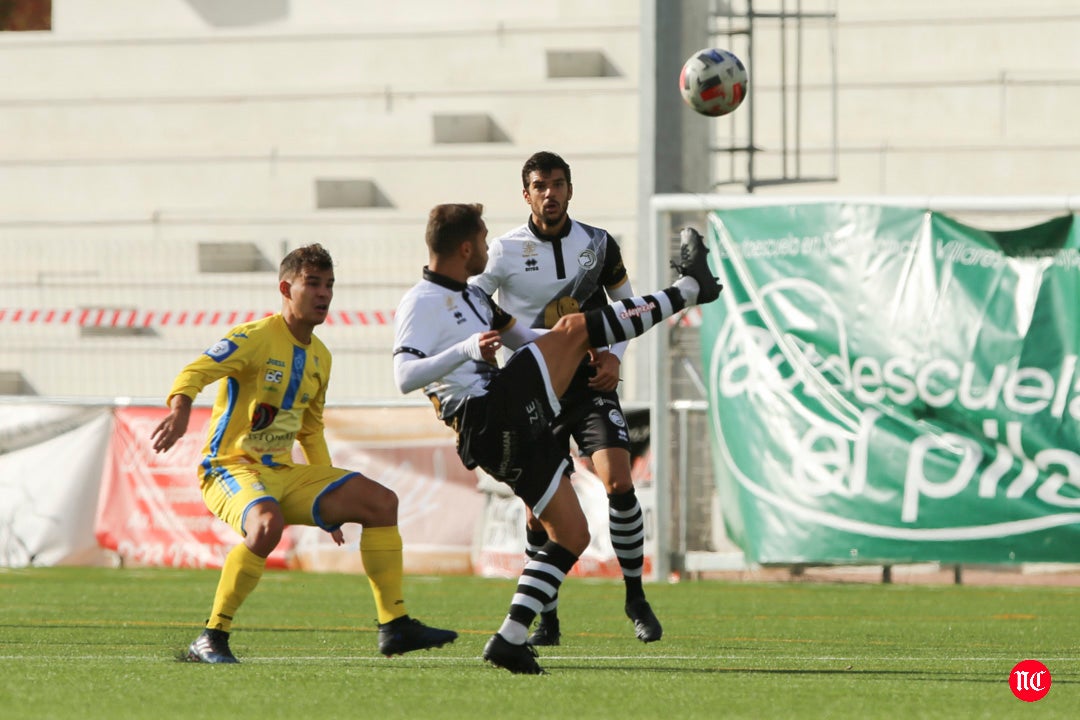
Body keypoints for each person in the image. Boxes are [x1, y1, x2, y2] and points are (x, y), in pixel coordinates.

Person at [392, 203, 720, 674]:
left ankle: (510, 638)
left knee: (572, 535)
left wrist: (579, 350)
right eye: (483, 240)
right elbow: (404, 375)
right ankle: (690, 288)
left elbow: (524, 338)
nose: (489, 246)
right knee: (575, 327)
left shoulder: (475, 298)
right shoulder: (420, 300)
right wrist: (468, 350)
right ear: (466, 248)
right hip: (485, 414)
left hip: (502, 428)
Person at [151, 243, 457, 664]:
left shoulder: (320, 356)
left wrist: (327, 490)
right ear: (286, 287)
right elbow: (195, 371)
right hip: (230, 468)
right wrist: (181, 407)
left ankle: (395, 625)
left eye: (329, 285)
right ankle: (211, 636)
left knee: (381, 502)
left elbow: (310, 429)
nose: (323, 294)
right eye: (312, 283)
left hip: (284, 472)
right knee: (266, 524)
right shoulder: (254, 338)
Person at [470, 150, 660, 645]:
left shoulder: (597, 245)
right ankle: (548, 620)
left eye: (557, 184)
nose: (549, 193)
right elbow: (471, 299)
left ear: (570, 190)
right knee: (539, 512)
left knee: (618, 481)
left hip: (587, 382)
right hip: (532, 389)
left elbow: (629, 308)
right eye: (539, 185)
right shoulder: (504, 252)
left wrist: (614, 355)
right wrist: (489, 346)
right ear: (526, 193)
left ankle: (636, 596)